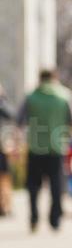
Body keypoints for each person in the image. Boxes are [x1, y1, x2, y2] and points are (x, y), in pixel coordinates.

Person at [17, 70, 72, 234]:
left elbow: (19, 122)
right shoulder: (65, 96)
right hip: (57, 147)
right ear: (55, 78)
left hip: (35, 147)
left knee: (33, 186)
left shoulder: (31, 97)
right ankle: (55, 218)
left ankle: (33, 218)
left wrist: (18, 144)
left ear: (40, 79)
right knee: (56, 185)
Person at [0, 85, 14, 218]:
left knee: (4, 176)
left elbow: (11, 114)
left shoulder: (3, 105)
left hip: (2, 146)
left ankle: (5, 206)